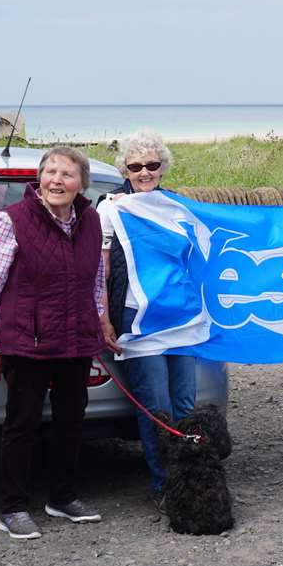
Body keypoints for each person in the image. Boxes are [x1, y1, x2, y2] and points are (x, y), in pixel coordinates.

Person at [0, 146, 113, 540]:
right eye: (50, 171)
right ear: (39, 179)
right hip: (26, 340)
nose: (57, 180)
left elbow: (93, 282)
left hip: (76, 340)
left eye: (67, 174)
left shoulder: (91, 221)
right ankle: (13, 507)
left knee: (72, 421)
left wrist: (99, 325)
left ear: (81, 183)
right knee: (22, 424)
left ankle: (62, 497)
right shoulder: (12, 220)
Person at [96, 129, 194, 501]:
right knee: (157, 408)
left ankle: (190, 476)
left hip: (182, 319)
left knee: (185, 406)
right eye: (135, 166)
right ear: (125, 169)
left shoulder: (177, 206)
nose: (144, 173)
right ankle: (165, 484)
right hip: (140, 321)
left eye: (151, 165)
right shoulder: (112, 209)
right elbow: (100, 270)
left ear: (162, 167)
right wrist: (104, 318)